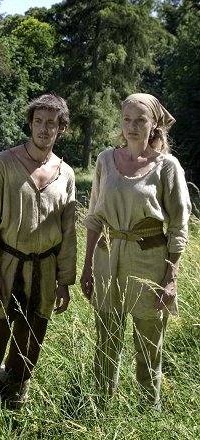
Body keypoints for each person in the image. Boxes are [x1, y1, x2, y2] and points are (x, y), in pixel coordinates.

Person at [0, 94, 77, 417]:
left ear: (61, 129)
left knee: (29, 346)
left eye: (51, 124)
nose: (43, 129)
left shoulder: (65, 174)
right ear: (30, 124)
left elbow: (68, 231)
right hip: (5, 264)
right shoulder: (4, 163)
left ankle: (12, 404)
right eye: (38, 122)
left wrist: (64, 280)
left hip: (45, 269)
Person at [80, 93, 191, 409]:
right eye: (127, 119)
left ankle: (147, 407)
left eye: (140, 120)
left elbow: (179, 226)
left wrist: (171, 278)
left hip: (149, 261)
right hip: (108, 257)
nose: (132, 126)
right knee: (106, 340)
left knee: (148, 342)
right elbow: (95, 216)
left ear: (154, 123)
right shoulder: (105, 160)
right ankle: (102, 405)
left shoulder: (166, 166)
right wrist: (87, 266)